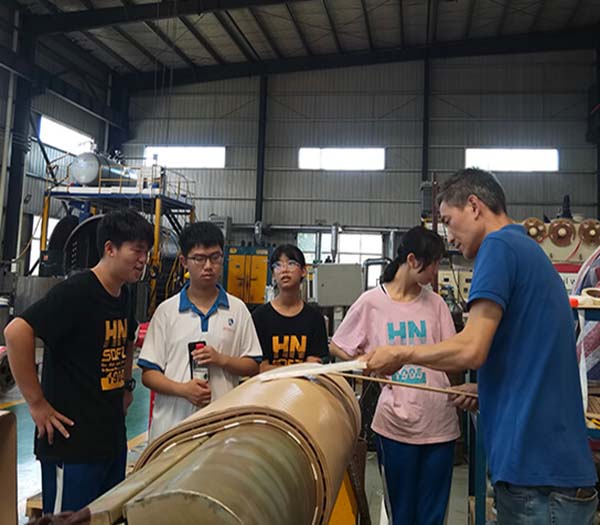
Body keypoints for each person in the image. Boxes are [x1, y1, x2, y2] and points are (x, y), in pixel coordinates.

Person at [364, 168, 598, 524]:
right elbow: (532, 360)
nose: (448, 236)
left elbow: (471, 349)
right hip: (553, 477)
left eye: (448, 220)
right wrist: (487, 389)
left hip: (537, 480)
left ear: (474, 206)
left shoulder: (498, 247)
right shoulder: (527, 251)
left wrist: (401, 353)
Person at [5, 209, 153, 514]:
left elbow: (128, 336)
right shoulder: (77, 293)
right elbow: (16, 332)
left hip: (110, 440)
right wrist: (37, 403)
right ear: (110, 249)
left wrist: (126, 385)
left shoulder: (123, 294)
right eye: (137, 251)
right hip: (72, 445)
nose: (143, 260)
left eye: (146, 252)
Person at [329, 226, 459, 525]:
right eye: (433, 263)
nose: (436, 271)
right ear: (412, 260)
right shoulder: (372, 302)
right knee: (402, 514)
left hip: (439, 423)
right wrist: (367, 364)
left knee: (432, 517)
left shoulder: (436, 304)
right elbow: (338, 345)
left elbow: (453, 355)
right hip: (395, 425)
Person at [138, 221, 262, 441]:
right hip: (172, 429)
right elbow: (149, 374)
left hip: (222, 430)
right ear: (184, 262)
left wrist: (221, 360)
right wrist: (183, 390)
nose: (208, 266)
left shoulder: (238, 310)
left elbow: (253, 365)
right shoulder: (167, 312)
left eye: (215, 257)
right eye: (199, 258)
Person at [252, 244, 329, 372]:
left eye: (291, 263)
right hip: (269, 385)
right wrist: (298, 370)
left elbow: (313, 367)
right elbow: (260, 368)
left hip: (303, 384)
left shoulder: (315, 319)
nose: (284, 270)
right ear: (273, 274)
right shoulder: (260, 317)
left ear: (303, 271)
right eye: (278, 265)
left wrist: (281, 370)